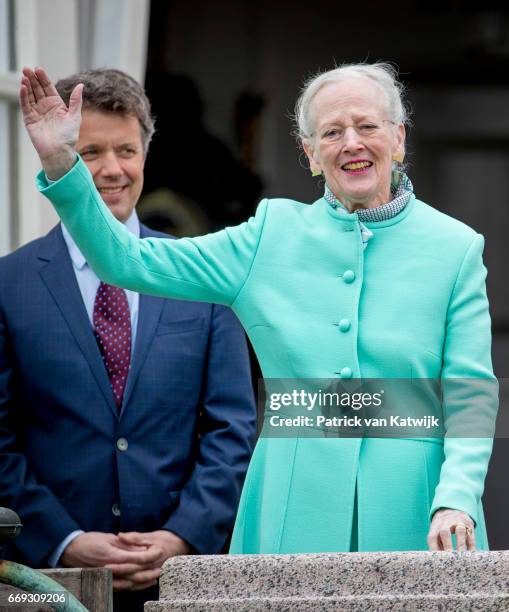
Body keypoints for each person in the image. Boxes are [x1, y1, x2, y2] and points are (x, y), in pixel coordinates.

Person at [19, 62, 496, 555]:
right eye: (331, 132)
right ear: (310, 153)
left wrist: (455, 497)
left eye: (368, 126)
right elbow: (126, 260)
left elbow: (471, 391)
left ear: (397, 138)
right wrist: (61, 163)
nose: (351, 142)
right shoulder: (268, 236)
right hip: (293, 511)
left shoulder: (454, 247)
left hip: (421, 510)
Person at [2, 68, 256, 611]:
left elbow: (232, 428)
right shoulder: (8, 286)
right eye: (90, 152)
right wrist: (64, 540)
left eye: (127, 150)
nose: (112, 170)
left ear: (146, 151)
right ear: (63, 158)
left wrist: (183, 535)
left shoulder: (202, 273)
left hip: (185, 583)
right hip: (42, 583)